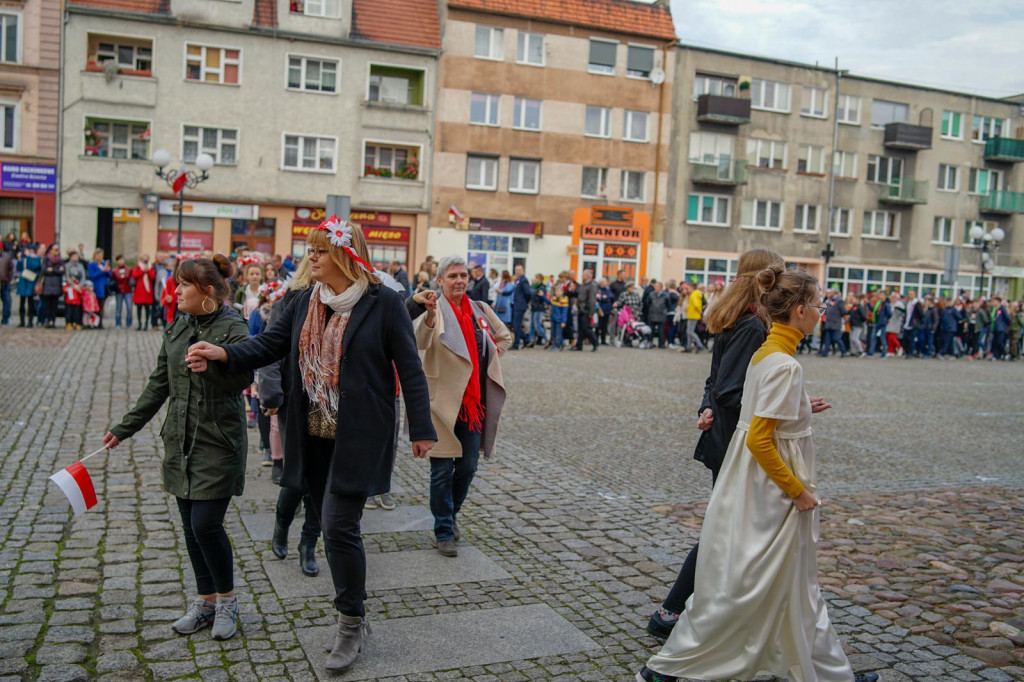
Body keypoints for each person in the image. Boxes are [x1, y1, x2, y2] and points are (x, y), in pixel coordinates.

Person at [186, 218, 436, 673]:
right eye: (311, 251)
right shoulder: (302, 301)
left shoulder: (383, 304)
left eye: (320, 251)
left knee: (340, 528)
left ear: (344, 254)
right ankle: (352, 615)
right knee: (330, 528)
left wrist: (422, 429)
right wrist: (223, 353)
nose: (311, 258)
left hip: (359, 438)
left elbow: (410, 368)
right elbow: (267, 346)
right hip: (312, 439)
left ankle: (350, 624)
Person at [638, 264, 878, 682]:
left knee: (785, 582)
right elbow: (760, 440)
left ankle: (824, 670)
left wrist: (800, 406)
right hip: (771, 490)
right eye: (820, 304)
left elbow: (760, 417)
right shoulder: (783, 363)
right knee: (761, 580)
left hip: (755, 482)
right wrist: (797, 490)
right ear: (801, 310)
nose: (823, 311)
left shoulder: (770, 353)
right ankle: (674, 667)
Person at [102, 255, 252, 641]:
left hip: (218, 442)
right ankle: (204, 602)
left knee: (206, 524)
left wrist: (214, 369)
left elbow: (243, 379)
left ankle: (228, 601)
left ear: (207, 291)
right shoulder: (177, 326)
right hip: (181, 441)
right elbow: (159, 384)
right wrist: (124, 428)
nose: (175, 291)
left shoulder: (232, 326)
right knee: (189, 527)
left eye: (183, 285)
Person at [647, 249, 783, 640]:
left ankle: (706, 612)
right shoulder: (753, 325)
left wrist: (706, 407)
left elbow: (713, 384)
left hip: (724, 435)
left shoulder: (737, 318)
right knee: (725, 531)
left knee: (732, 531)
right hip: (735, 444)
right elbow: (728, 389)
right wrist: (787, 403)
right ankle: (671, 611)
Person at [412, 256, 512, 557]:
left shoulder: (480, 309)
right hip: (441, 404)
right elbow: (421, 341)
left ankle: (450, 514)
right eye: (453, 276)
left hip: (472, 404)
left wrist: (489, 360)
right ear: (440, 280)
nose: (459, 281)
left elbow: (504, 337)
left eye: (463, 275)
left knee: (467, 467)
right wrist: (428, 316)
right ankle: (443, 530)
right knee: (441, 470)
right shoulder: (434, 309)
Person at [573, 269, 599, 351]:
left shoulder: (592, 286)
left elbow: (592, 300)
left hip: (586, 310)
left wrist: (591, 311)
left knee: (586, 328)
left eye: (583, 275)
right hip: (580, 309)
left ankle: (595, 343)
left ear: (588, 276)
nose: (582, 276)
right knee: (580, 328)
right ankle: (579, 345)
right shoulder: (583, 285)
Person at [40, 244, 65, 328]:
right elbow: (44, 270)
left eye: (58, 249)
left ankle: (53, 321)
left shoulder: (60, 260)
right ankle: (48, 320)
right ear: (50, 250)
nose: (57, 251)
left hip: (56, 285)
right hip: (47, 285)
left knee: (54, 305)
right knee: (47, 305)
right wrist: (56, 270)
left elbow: (62, 271)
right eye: (55, 249)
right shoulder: (46, 259)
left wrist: (52, 270)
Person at [15, 244, 40, 327]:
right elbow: (19, 268)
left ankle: (30, 321)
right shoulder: (24, 258)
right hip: (23, 282)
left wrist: (28, 257)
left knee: (30, 303)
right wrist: (19, 259)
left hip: (31, 281)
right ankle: (22, 321)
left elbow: (34, 267)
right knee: (22, 303)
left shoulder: (36, 258)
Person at [87, 249, 111, 329]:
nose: (100, 258)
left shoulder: (104, 264)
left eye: (101, 256)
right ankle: (94, 322)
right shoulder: (92, 265)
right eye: (98, 256)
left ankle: (100, 322)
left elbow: (109, 276)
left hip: (103, 287)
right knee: (94, 306)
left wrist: (107, 270)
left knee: (102, 305)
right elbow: (92, 276)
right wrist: (101, 271)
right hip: (96, 287)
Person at [509, 264, 532, 349]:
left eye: (519, 270)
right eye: (516, 270)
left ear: (523, 271)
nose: (518, 271)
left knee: (516, 325)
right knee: (515, 325)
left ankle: (516, 344)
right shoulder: (518, 280)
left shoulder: (523, 280)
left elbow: (528, 293)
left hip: (520, 305)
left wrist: (525, 302)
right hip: (515, 305)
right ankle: (527, 340)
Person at [819, 289, 847, 357]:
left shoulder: (839, 300)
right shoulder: (830, 300)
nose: (829, 293)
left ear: (834, 293)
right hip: (829, 323)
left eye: (830, 292)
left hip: (835, 323)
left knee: (836, 338)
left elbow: (843, 311)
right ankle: (825, 353)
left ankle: (843, 351)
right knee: (827, 339)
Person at [131, 254, 156, 331]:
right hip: (139, 290)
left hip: (147, 291)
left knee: (147, 308)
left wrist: (147, 271)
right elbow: (134, 276)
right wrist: (142, 271)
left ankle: (146, 324)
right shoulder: (137, 267)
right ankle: (139, 323)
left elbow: (152, 277)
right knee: (139, 308)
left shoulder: (151, 267)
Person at [110, 255, 133, 328]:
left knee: (129, 307)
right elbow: (112, 280)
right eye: (119, 260)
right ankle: (118, 323)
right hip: (119, 291)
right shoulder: (114, 270)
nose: (121, 261)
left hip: (127, 290)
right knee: (118, 308)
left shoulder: (129, 269)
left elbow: (131, 279)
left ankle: (129, 323)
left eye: (122, 260)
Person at [527, 273, 548, 347]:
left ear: (540, 279)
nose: (535, 279)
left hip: (539, 308)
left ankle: (546, 339)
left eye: (536, 278)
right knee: (532, 326)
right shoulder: (534, 287)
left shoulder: (541, 288)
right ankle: (531, 340)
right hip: (533, 307)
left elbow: (542, 298)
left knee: (537, 326)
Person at [646, 281, 668, 348]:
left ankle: (661, 344)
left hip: (661, 315)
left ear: (661, 288)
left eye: (657, 287)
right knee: (651, 330)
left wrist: (664, 311)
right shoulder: (651, 294)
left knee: (661, 331)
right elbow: (647, 303)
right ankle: (650, 343)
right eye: (655, 286)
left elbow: (668, 304)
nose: (656, 288)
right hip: (652, 314)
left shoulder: (665, 295)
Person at [684, 284, 705, 352]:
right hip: (692, 315)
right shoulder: (695, 294)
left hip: (693, 315)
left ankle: (699, 345)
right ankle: (689, 347)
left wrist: (700, 312)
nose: (687, 289)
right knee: (689, 332)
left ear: (692, 288)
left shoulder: (693, 295)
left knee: (690, 332)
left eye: (688, 288)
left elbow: (696, 305)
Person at [549, 282, 569, 350]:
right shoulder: (554, 298)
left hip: (559, 320)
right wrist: (543, 296)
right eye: (556, 291)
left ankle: (557, 346)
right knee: (553, 333)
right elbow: (548, 302)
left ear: (562, 292)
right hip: (553, 318)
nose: (557, 293)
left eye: (558, 291)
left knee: (558, 333)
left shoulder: (564, 299)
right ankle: (561, 342)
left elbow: (564, 312)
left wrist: (564, 321)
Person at [596, 277, 614, 345]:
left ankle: (603, 340)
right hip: (600, 310)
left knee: (604, 326)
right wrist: (605, 298)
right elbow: (599, 298)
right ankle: (596, 339)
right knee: (598, 326)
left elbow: (612, 296)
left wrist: (606, 297)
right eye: (605, 282)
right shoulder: (598, 290)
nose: (606, 283)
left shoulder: (607, 289)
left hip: (607, 310)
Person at [0, 243, 12, 326]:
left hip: (4, 283)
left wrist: (8, 279)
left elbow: (11, 269)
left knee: (7, 302)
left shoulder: (7, 257)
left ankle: (5, 319)